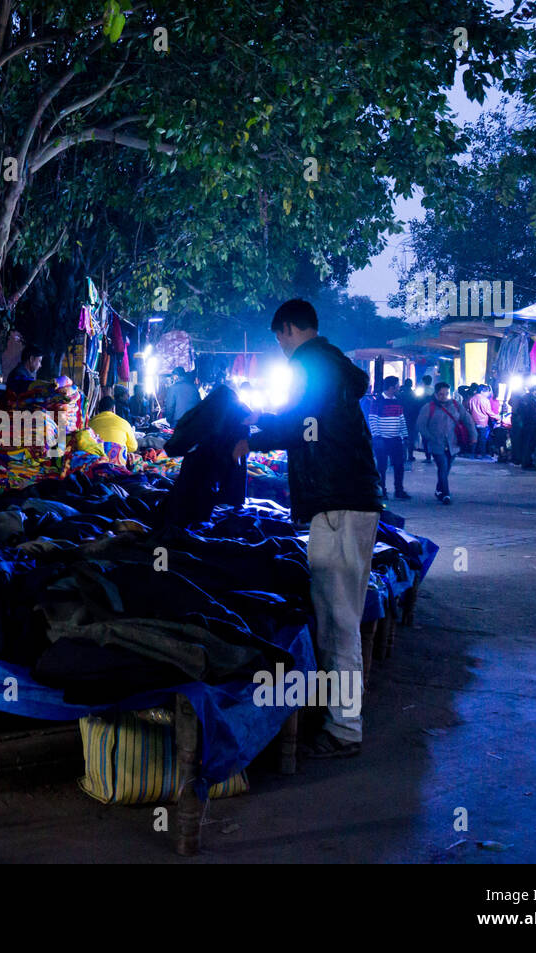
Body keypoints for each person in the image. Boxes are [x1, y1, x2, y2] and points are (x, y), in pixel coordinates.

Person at [232, 299, 381, 759]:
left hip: (337, 505)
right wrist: (263, 422)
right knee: (343, 619)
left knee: (339, 623)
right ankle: (340, 718)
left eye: (279, 338)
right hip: (353, 502)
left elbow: (305, 426)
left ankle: (344, 728)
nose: (280, 348)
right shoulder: (332, 366)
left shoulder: (312, 363)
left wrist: (251, 441)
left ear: (291, 330)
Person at [164, 384, 251, 526]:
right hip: (226, 469)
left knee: (190, 508)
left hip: (200, 468)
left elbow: (176, 444)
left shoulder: (203, 412)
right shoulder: (240, 414)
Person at [416, 382, 475, 504]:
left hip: (453, 444)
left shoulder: (456, 405)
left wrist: (473, 435)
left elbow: (467, 420)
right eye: (441, 394)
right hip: (437, 444)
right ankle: (446, 494)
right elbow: (421, 425)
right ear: (436, 394)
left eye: (446, 394)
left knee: (446, 468)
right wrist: (431, 437)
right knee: (442, 467)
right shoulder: (429, 407)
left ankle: (439, 489)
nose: (444, 396)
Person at [367, 376, 411, 500]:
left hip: (396, 439)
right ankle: (382, 490)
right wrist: (377, 436)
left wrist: (405, 435)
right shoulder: (378, 401)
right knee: (381, 466)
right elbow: (373, 419)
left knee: (399, 465)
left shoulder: (397, 401)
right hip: (382, 440)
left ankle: (399, 490)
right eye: (397, 386)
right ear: (391, 387)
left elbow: (401, 419)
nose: (399, 388)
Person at [510, 383, 536, 469]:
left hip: (524, 423)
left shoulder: (523, 398)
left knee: (524, 443)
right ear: (535, 391)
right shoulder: (533, 400)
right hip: (531, 424)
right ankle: (527, 463)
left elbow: (517, 409)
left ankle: (523, 461)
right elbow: (535, 412)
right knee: (530, 443)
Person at [468, 385, 500, 459]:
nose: (488, 394)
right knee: (482, 439)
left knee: (474, 438)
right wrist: (497, 417)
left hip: (473, 422)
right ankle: (480, 454)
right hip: (482, 422)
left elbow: (469, 410)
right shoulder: (485, 400)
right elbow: (488, 411)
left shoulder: (472, 399)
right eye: (487, 392)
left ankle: (472, 453)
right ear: (482, 391)